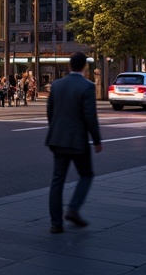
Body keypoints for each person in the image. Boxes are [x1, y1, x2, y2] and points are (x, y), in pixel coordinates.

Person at [46, 52, 103, 234]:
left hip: (57, 138)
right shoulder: (87, 86)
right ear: (84, 67)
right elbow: (90, 116)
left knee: (57, 180)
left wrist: (55, 129)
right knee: (86, 175)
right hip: (78, 141)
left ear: (69, 66)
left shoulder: (56, 85)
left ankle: (56, 223)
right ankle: (73, 208)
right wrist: (96, 140)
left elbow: (50, 111)